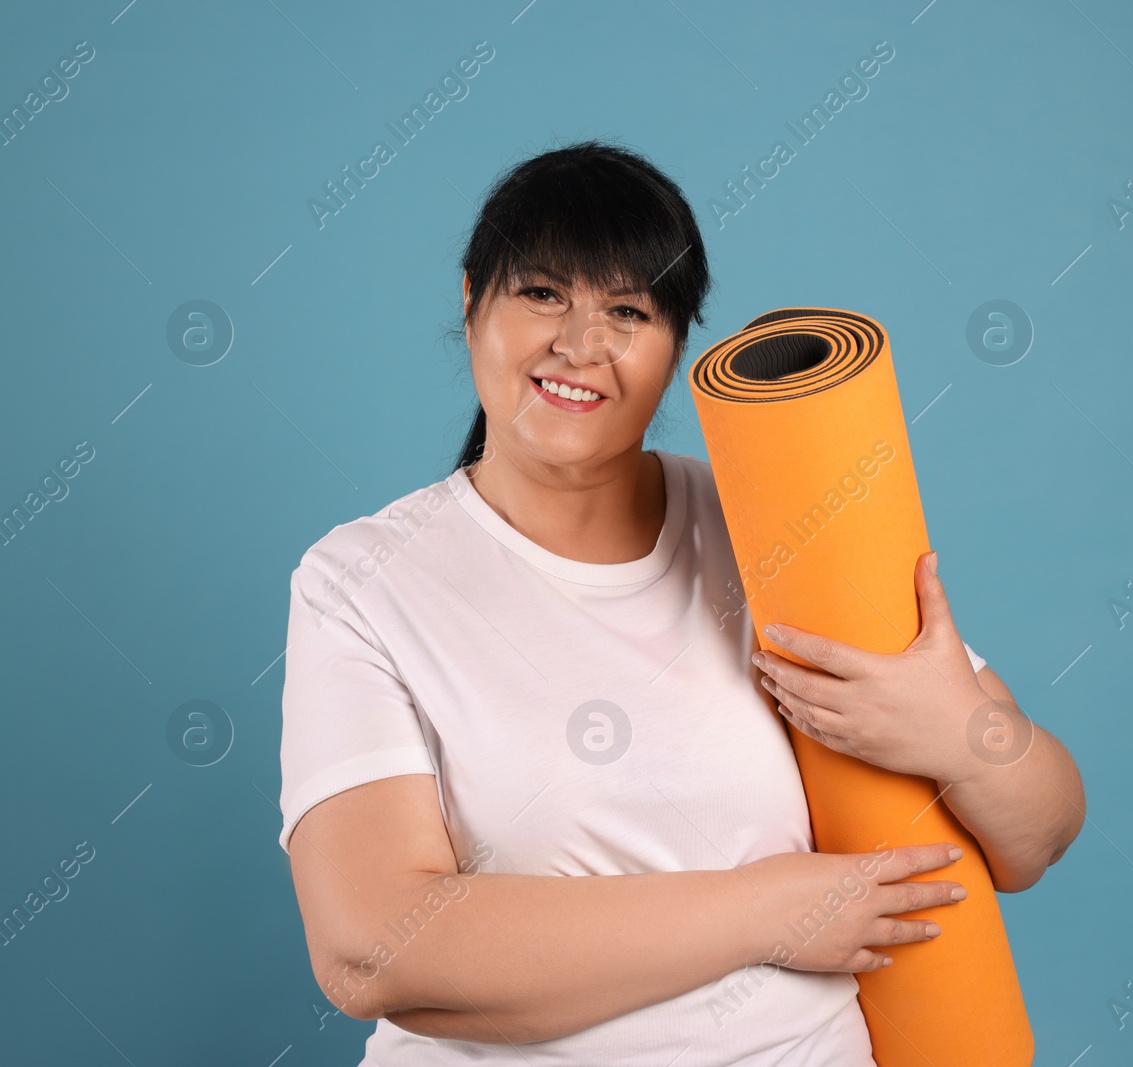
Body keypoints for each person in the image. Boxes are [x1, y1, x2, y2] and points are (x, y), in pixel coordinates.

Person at [277, 139, 1085, 1065]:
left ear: (676, 346)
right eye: (542, 293)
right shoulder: (366, 582)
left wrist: (957, 731)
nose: (580, 346)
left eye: (628, 309)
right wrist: (772, 909)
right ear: (471, 302)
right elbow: (374, 948)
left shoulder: (776, 527)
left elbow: (1039, 834)